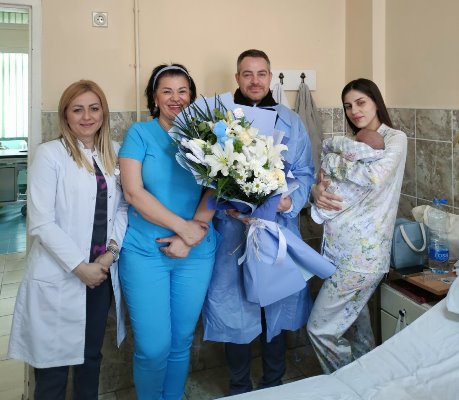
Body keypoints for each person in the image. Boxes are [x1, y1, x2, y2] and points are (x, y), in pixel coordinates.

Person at [202, 49, 315, 395]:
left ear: (269, 76)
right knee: (234, 309)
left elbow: (304, 172)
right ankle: (239, 386)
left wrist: (289, 201)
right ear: (237, 78)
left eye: (261, 73)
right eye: (247, 74)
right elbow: (206, 176)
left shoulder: (291, 121)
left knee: (274, 307)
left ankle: (273, 384)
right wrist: (227, 205)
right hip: (232, 233)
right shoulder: (219, 122)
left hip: (276, 229)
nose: (255, 81)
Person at [8, 80, 128, 399]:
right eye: (78, 109)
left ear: (103, 112)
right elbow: (41, 222)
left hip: (100, 273)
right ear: (65, 115)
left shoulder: (114, 152)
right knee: (52, 370)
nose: (87, 117)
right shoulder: (50, 155)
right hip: (61, 275)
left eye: (94, 108)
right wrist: (79, 267)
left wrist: (111, 252)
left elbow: (123, 207)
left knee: (91, 359)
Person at [118, 63, 217, 400]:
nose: (176, 98)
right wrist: (182, 228)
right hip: (146, 253)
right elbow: (133, 192)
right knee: (152, 347)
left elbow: (217, 188)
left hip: (196, 253)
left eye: (183, 91)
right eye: (167, 91)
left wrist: (194, 234)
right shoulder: (139, 134)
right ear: (155, 98)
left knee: (180, 341)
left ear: (192, 97)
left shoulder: (208, 138)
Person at [307, 78, 407, 373]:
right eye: (348, 106)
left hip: (362, 259)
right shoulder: (352, 142)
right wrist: (316, 191)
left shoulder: (394, 139)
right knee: (356, 328)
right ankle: (369, 381)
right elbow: (322, 181)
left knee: (319, 329)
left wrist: (330, 161)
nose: (354, 111)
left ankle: (347, 384)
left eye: (361, 102)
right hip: (338, 252)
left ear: (376, 102)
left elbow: (374, 176)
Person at [311, 128, 385, 224]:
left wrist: (329, 159)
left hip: (356, 223)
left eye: (355, 140)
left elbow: (373, 178)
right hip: (335, 223)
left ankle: (322, 213)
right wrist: (314, 190)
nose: (353, 141)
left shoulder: (393, 139)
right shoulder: (375, 151)